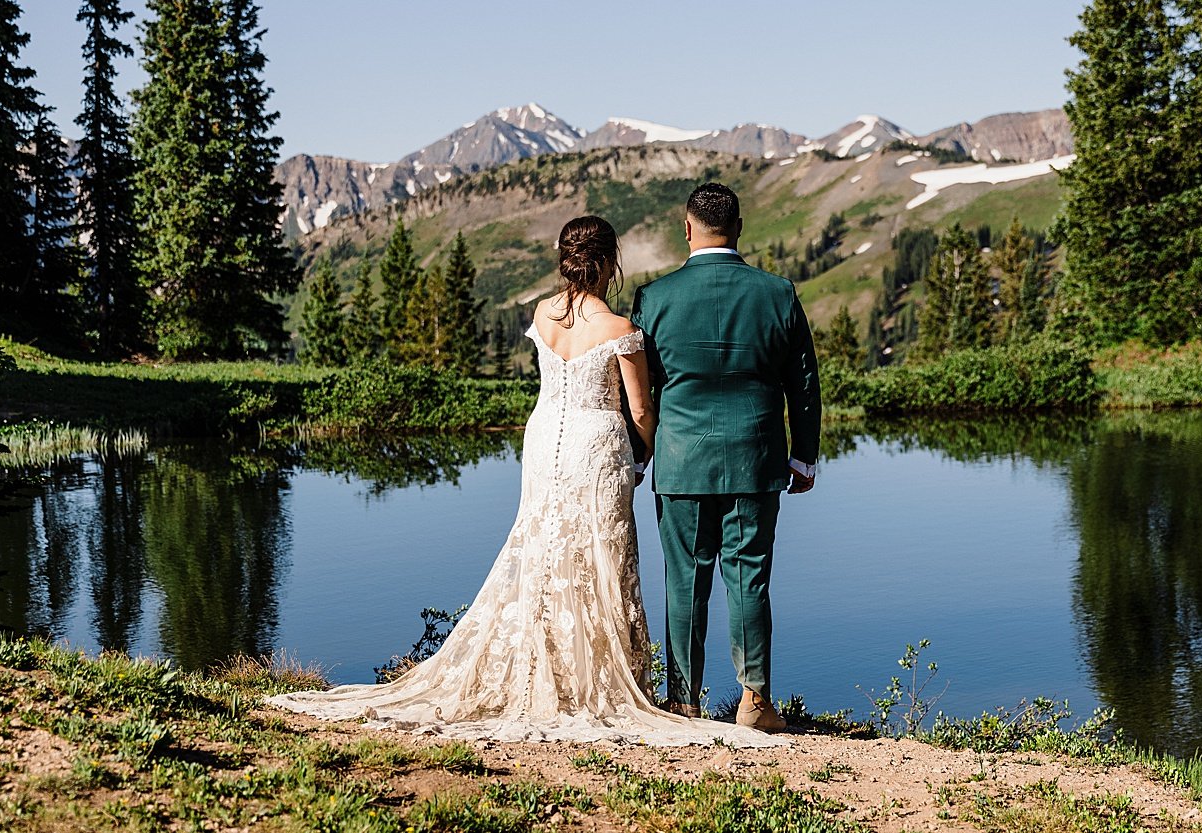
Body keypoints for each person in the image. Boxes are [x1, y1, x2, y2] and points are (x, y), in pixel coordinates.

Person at [265, 215, 783, 746]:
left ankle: (547, 673)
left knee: (544, 549)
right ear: (609, 264)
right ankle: (592, 681)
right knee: (600, 553)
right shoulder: (621, 331)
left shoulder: (542, 313)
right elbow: (642, 409)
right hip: (596, 444)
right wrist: (647, 449)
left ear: (567, 261)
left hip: (543, 443)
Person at [631, 183, 822, 733]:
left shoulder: (654, 299)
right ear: (739, 227)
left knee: (685, 580)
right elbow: (803, 384)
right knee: (750, 578)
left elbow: (642, 391)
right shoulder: (778, 293)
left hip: (680, 463)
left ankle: (684, 702)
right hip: (757, 459)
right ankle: (754, 702)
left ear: (686, 229)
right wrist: (804, 457)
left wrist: (640, 459)